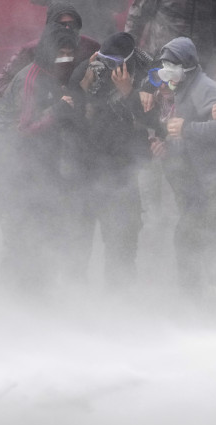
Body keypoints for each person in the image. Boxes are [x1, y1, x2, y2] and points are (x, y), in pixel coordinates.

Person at [0, 23, 81, 292]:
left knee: (45, 227)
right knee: (18, 235)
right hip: (6, 167)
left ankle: (38, 293)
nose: (67, 61)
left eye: (70, 55)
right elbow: (26, 128)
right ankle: (10, 300)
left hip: (32, 166)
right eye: (62, 55)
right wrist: (59, 109)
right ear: (49, 53)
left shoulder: (55, 73)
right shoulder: (31, 79)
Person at [151, 37, 216, 293]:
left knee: (195, 240)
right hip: (201, 185)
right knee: (195, 241)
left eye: (171, 65)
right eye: (164, 65)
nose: (166, 72)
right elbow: (189, 141)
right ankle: (200, 301)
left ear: (187, 65)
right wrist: (168, 150)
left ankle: (207, 301)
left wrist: (188, 128)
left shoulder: (205, 88)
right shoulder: (183, 89)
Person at [68, 32, 153, 288]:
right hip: (86, 172)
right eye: (104, 60)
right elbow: (69, 118)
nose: (108, 68)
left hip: (121, 177)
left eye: (114, 63)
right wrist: (82, 88)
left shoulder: (142, 70)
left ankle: (120, 304)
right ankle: (72, 299)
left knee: (121, 246)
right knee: (77, 242)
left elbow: (150, 123)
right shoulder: (87, 70)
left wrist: (130, 93)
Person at [0, 3, 100, 98]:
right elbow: (0, 83)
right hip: (40, 112)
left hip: (79, 108)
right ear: (50, 27)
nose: (67, 29)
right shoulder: (32, 50)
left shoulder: (90, 47)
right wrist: (26, 95)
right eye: (61, 25)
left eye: (72, 25)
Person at [124, 0, 216, 84]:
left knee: (191, 108)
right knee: (159, 105)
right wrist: (128, 55)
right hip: (163, 57)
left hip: (199, 61)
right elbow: (137, 16)